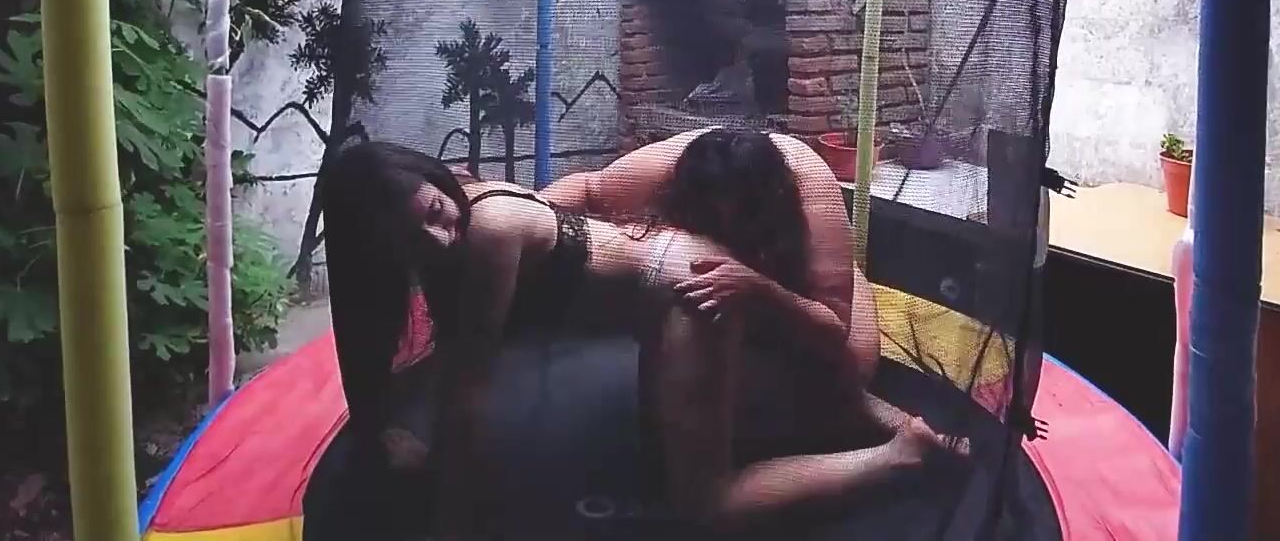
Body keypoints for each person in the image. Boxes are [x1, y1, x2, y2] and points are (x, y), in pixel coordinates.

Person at [317, 135, 949, 537]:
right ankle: (886, 420)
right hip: (682, 279)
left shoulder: (488, 229)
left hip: (689, 297)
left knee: (707, 502)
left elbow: (468, 387)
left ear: (440, 178)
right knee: (708, 423)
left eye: (435, 213)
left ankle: (902, 454)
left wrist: (449, 525)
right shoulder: (467, 206)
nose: (440, 239)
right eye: (412, 240)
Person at [540, 126, 896, 448]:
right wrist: (527, 225)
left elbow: (834, 328)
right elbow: (584, 189)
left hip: (805, 297)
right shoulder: (665, 166)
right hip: (733, 292)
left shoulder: (811, 190)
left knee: (851, 374)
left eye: (736, 218)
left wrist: (761, 289)